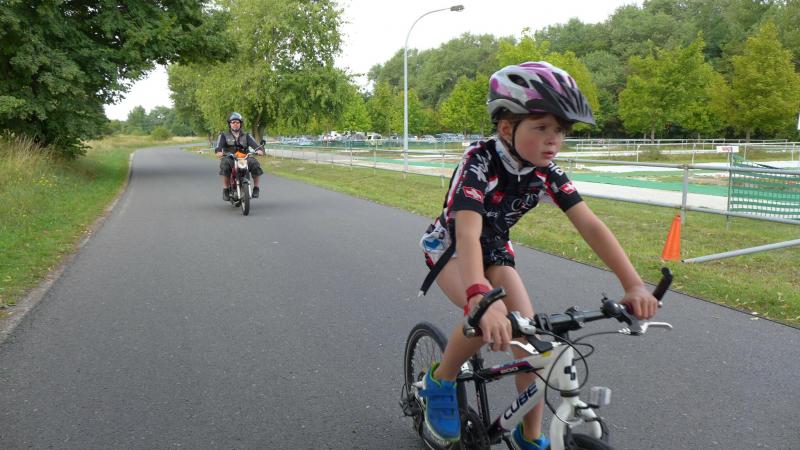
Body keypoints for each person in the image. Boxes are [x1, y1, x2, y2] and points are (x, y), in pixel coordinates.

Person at [416, 61, 658, 449]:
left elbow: (590, 225)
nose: (553, 140)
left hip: (495, 249)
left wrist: (632, 284)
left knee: (531, 339)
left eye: (560, 130)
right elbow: (467, 231)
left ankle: (528, 435)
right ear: (506, 128)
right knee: (483, 321)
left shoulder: (547, 172)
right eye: (542, 127)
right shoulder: (479, 161)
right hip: (451, 249)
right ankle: (440, 380)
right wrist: (478, 294)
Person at [215, 112, 265, 200]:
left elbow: (256, 146)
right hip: (230, 158)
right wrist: (219, 152)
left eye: (237, 122)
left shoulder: (247, 135)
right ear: (230, 124)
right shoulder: (223, 135)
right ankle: (226, 189)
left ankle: (256, 188)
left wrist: (259, 150)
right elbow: (218, 148)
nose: (235, 124)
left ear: (240, 124)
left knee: (255, 164)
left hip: (244, 157)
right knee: (224, 165)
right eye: (233, 122)